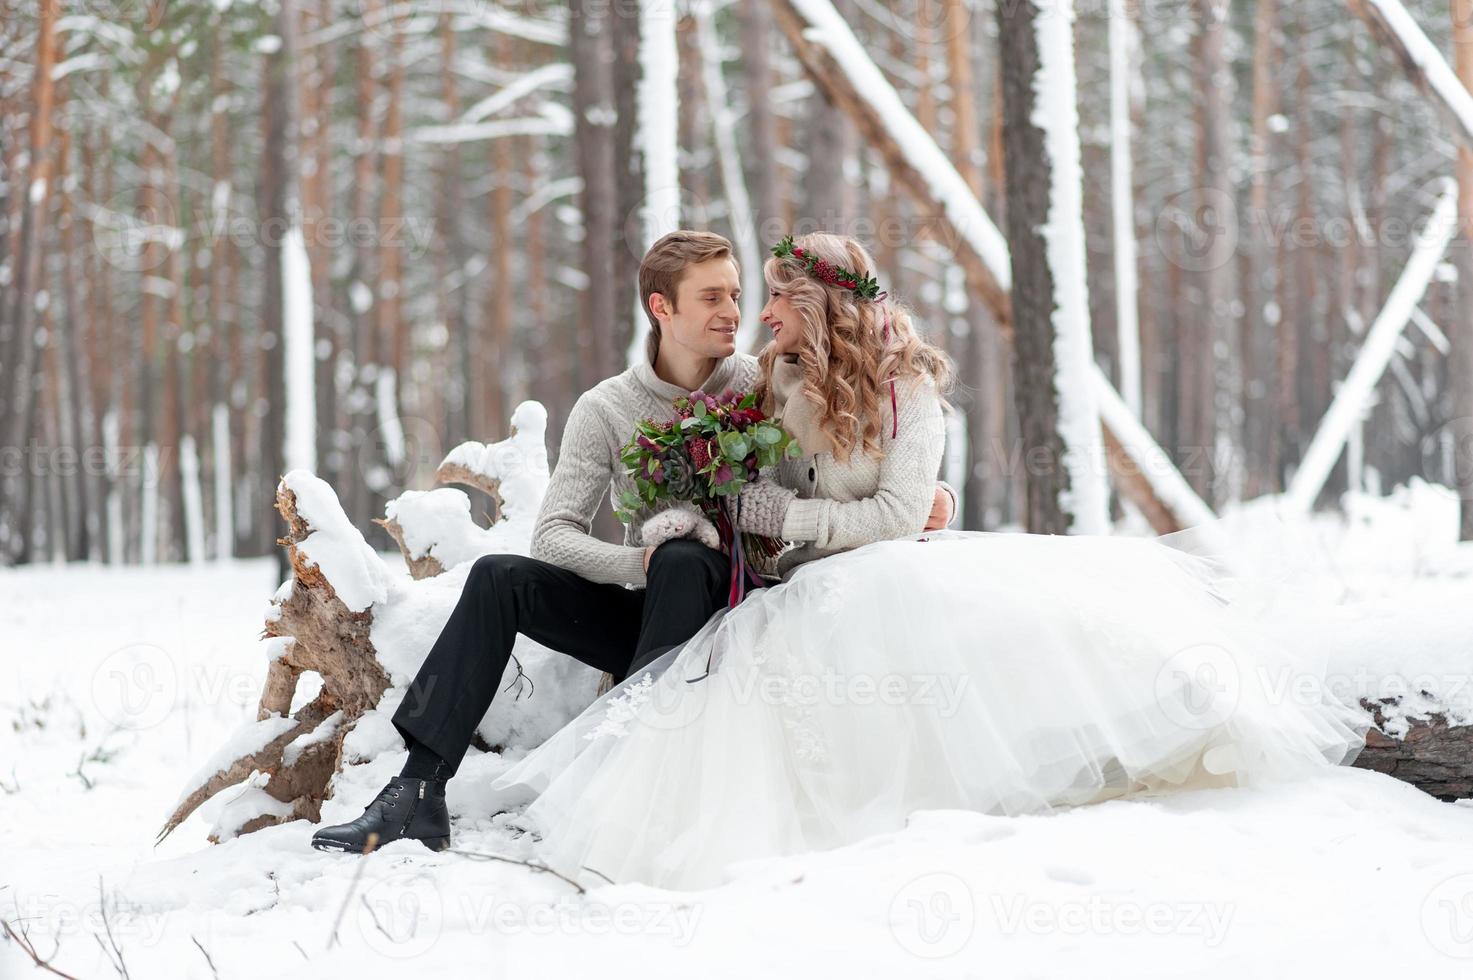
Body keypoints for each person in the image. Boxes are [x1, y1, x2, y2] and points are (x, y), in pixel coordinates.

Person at [488, 232, 1370, 890]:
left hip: (882, 567)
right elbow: (739, 485)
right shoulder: (770, 380)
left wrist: (793, 514)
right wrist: (723, 510)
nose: (761, 316)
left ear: (820, 305)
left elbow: (901, 511)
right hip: (797, 582)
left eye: (778, 300)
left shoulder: (908, 389)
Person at [310, 231, 956, 854]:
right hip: (646, 608)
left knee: (685, 559)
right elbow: (554, 537)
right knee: (498, 579)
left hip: (736, 613)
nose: (735, 312)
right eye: (712, 298)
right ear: (661, 307)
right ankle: (415, 789)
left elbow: (850, 444)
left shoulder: (759, 385)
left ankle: (625, 781)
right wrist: (635, 559)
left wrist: (932, 495)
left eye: (735, 294)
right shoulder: (607, 407)